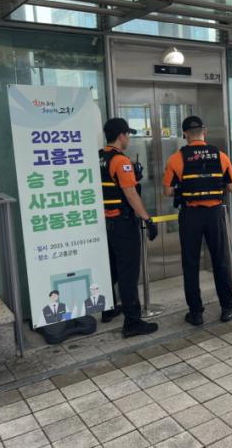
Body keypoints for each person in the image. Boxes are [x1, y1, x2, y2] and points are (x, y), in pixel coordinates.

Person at [163, 115, 232, 326]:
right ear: (204, 131)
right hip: (214, 214)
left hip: (190, 215)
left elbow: (167, 191)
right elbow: (231, 187)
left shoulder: (176, 159)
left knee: (190, 263)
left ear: (185, 134)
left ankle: (196, 313)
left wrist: (185, 188)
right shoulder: (220, 156)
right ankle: (227, 307)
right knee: (220, 260)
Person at [100, 117, 159, 338]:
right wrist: (148, 219)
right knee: (128, 274)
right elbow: (131, 194)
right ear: (121, 135)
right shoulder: (120, 161)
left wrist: (134, 176)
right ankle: (132, 322)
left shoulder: (100, 157)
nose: (128, 139)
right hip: (123, 224)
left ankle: (108, 309)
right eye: (128, 135)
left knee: (112, 269)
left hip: (106, 223)